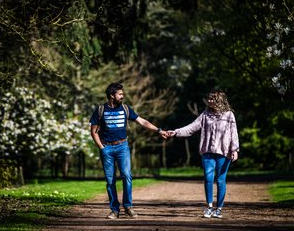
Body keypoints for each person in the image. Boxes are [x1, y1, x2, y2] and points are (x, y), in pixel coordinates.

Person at [89, 82, 168, 219]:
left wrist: (158, 130)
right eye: (120, 94)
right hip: (106, 147)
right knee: (110, 180)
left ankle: (128, 207)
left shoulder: (125, 108)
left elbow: (142, 121)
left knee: (126, 175)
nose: (122, 96)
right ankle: (114, 210)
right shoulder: (100, 110)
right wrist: (101, 148)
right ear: (112, 95)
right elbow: (93, 132)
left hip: (122, 147)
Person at [167, 89, 239, 219]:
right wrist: (176, 132)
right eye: (209, 98)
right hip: (207, 152)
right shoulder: (205, 115)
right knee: (208, 178)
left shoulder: (229, 115)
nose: (209, 100)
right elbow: (191, 127)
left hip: (224, 152)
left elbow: (234, 133)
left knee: (221, 180)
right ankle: (210, 207)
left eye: (212, 98)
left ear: (219, 100)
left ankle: (219, 209)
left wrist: (235, 149)